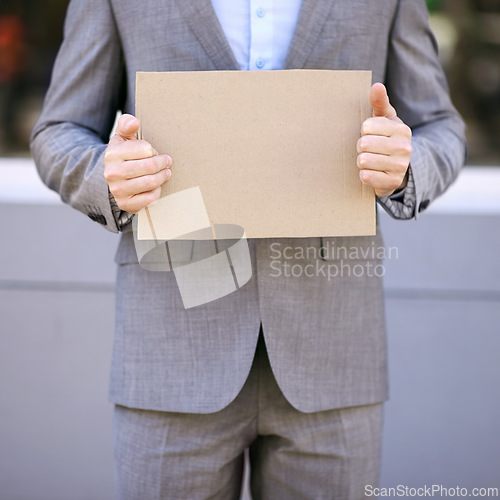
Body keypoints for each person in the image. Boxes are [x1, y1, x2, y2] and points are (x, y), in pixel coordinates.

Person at [31, 0, 466, 498]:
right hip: (172, 347)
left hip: (334, 352)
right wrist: (104, 175)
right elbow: (58, 130)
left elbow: (442, 127)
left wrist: (407, 162)